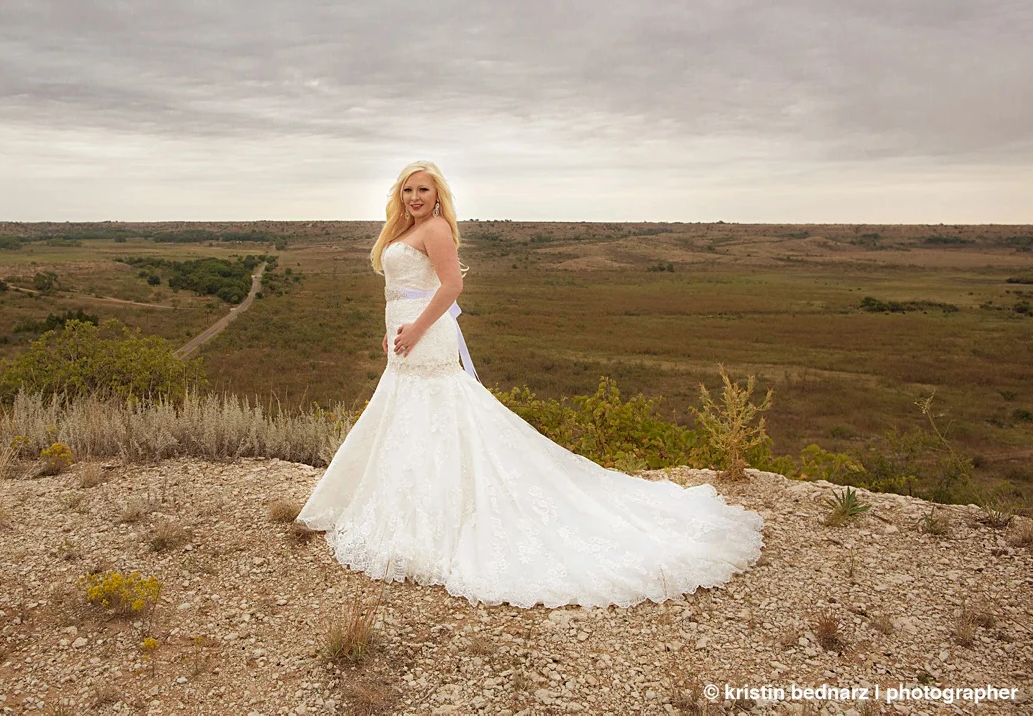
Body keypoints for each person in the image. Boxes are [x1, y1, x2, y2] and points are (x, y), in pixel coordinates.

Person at [296, 161, 764, 608]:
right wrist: (394, 323)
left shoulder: (436, 229)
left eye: (423, 189)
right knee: (408, 415)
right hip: (406, 334)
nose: (415, 196)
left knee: (437, 408)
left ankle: (442, 515)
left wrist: (416, 327)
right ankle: (405, 505)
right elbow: (403, 287)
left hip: (426, 336)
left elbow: (452, 286)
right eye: (408, 189)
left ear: (438, 195)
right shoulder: (402, 230)